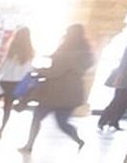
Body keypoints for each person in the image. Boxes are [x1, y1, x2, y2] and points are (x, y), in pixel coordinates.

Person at [19, 24, 94, 154]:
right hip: (71, 95)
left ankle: (29, 145)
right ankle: (78, 139)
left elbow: (55, 71)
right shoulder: (85, 51)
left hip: (54, 93)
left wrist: (38, 70)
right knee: (62, 122)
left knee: (37, 118)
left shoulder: (68, 50)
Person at [0, 26, 35, 139]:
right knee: (7, 107)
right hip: (17, 84)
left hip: (6, 82)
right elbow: (29, 70)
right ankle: (0, 129)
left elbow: (3, 68)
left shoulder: (13, 50)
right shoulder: (30, 52)